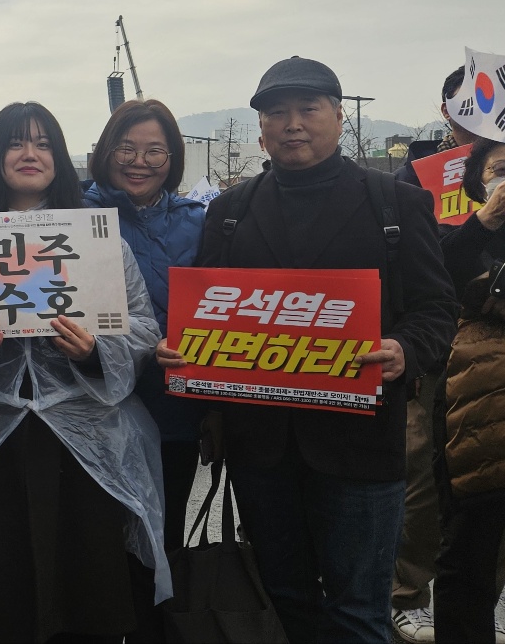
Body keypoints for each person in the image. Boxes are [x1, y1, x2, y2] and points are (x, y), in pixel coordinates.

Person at [157, 57, 457, 643]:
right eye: (277, 113)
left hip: (361, 445)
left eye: (307, 109)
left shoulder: (394, 203)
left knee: (358, 610)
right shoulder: (231, 211)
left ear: (339, 118)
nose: (292, 124)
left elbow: (436, 307)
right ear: (261, 129)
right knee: (282, 599)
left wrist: (404, 349)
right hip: (261, 446)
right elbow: (206, 314)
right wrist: (187, 356)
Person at [0, 101, 169, 643]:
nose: (30, 154)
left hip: (80, 438)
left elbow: (139, 323)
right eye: (16, 143)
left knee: (84, 582)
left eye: (44, 144)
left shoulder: (94, 234)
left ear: (59, 157)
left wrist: (92, 352)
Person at [83, 99, 207, 635]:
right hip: (89, 409)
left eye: (155, 150)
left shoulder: (200, 222)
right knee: (92, 546)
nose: (139, 161)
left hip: (172, 407)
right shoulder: (71, 215)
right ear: (105, 152)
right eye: (126, 148)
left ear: (173, 158)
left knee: (161, 540)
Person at [389, 65, 480, 644]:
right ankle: (406, 594)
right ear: (447, 109)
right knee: (420, 473)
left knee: (488, 477)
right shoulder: (417, 174)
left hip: (494, 347)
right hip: (436, 346)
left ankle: (476, 596)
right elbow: (417, 269)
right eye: (468, 102)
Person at [430, 139, 505, 642]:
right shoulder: (457, 233)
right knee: (468, 548)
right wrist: (486, 222)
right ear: (477, 181)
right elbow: (436, 276)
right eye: (501, 168)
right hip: (476, 410)